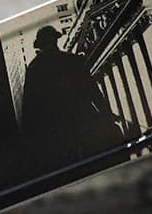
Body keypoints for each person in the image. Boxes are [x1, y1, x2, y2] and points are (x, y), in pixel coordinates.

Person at [19, 25, 125, 169]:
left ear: (40, 45)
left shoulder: (33, 69)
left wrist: (33, 139)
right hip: (84, 123)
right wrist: (106, 114)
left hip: (58, 133)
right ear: (55, 41)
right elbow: (93, 92)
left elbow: (29, 109)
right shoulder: (73, 60)